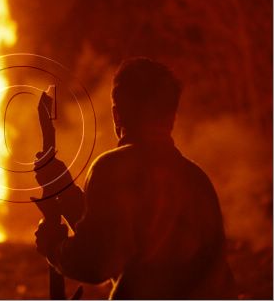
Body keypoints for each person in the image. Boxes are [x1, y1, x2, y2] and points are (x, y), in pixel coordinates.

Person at [34, 57, 237, 299]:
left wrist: (53, 247)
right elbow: (121, 230)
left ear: (116, 115)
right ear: (172, 116)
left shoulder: (114, 167)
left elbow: (95, 261)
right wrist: (64, 190)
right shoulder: (198, 180)